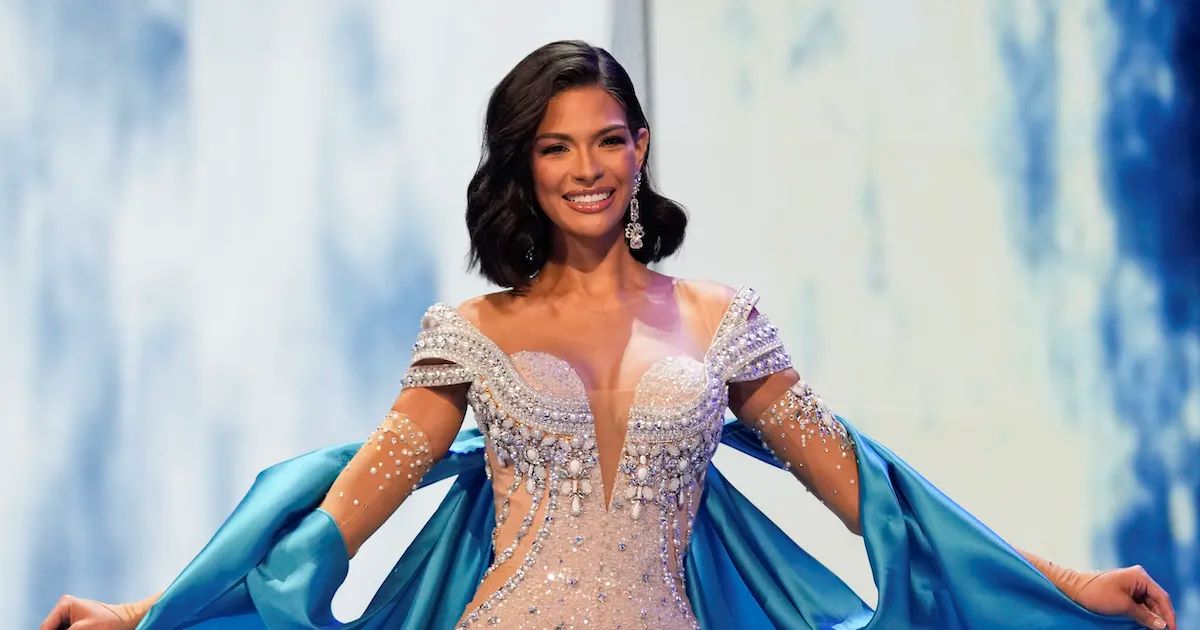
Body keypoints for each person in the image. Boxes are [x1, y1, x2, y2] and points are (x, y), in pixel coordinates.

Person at [42, 40, 1175, 630]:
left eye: (607, 139)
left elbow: (874, 496)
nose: (586, 167)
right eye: (555, 146)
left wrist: (1067, 584)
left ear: (640, 148)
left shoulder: (724, 324)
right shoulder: (469, 334)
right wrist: (144, 616)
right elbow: (335, 520)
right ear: (523, 168)